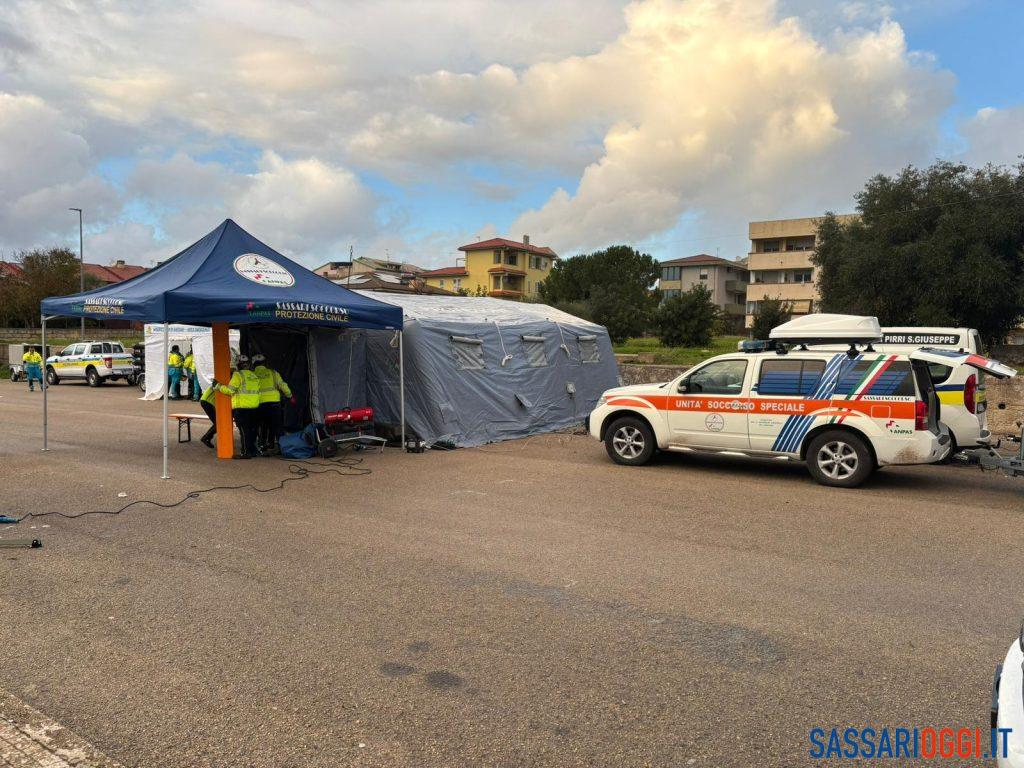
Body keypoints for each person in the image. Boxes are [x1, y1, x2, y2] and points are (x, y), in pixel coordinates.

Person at [213, 354, 261, 459]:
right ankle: (253, 451)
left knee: (244, 431)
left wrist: (218, 386)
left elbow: (230, 390)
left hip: (241, 408)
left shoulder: (238, 375)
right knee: (252, 430)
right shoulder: (254, 376)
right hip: (255, 407)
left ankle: (246, 453)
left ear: (238, 365)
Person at [252, 353, 296, 454]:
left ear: (254, 364)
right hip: (274, 403)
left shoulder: (252, 375)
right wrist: (290, 396)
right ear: (265, 363)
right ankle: (282, 448)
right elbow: (282, 385)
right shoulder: (273, 373)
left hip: (260, 403)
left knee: (262, 425)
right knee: (277, 425)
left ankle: (263, 447)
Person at [198, 377, 224, 449]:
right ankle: (206, 438)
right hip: (207, 402)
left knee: (218, 423)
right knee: (218, 423)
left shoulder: (220, 381)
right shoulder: (222, 381)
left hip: (207, 402)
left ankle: (206, 437)